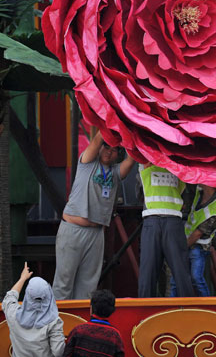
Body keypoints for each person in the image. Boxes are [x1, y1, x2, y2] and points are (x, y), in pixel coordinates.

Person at [53, 130, 136, 300]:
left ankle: (81, 325)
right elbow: (98, 138)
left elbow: (130, 161)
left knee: (88, 286)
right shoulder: (88, 162)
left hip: (96, 233)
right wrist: (112, 116)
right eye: (106, 147)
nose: (109, 151)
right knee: (63, 283)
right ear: (100, 148)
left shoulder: (114, 173)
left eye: (114, 149)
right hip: (73, 229)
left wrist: (133, 134)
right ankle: (59, 325)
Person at [138, 163, 194, 297]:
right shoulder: (178, 166)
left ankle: (145, 311)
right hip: (169, 221)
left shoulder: (177, 165)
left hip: (158, 221)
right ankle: (188, 309)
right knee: (179, 270)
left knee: (149, 272)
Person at [171, 184, 216, 296]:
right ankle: (173, 305)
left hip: (198, 247)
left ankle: (207, 305)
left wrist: (181, 247)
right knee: (176, 279)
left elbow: (198, 234)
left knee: (196, 278)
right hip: (188, 241)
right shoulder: (199, 192)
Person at [2, 262, 65, 357]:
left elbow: (9, 297)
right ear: (49, 295)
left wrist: (23, 278)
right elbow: (58, 352)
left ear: (27, 294)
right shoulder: (54, 322)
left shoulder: (13, 314)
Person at [63, 289, 124, 357]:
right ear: (112, 311)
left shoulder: (78, 330)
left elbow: (67, 354)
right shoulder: (115, 336)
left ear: (91, 308)